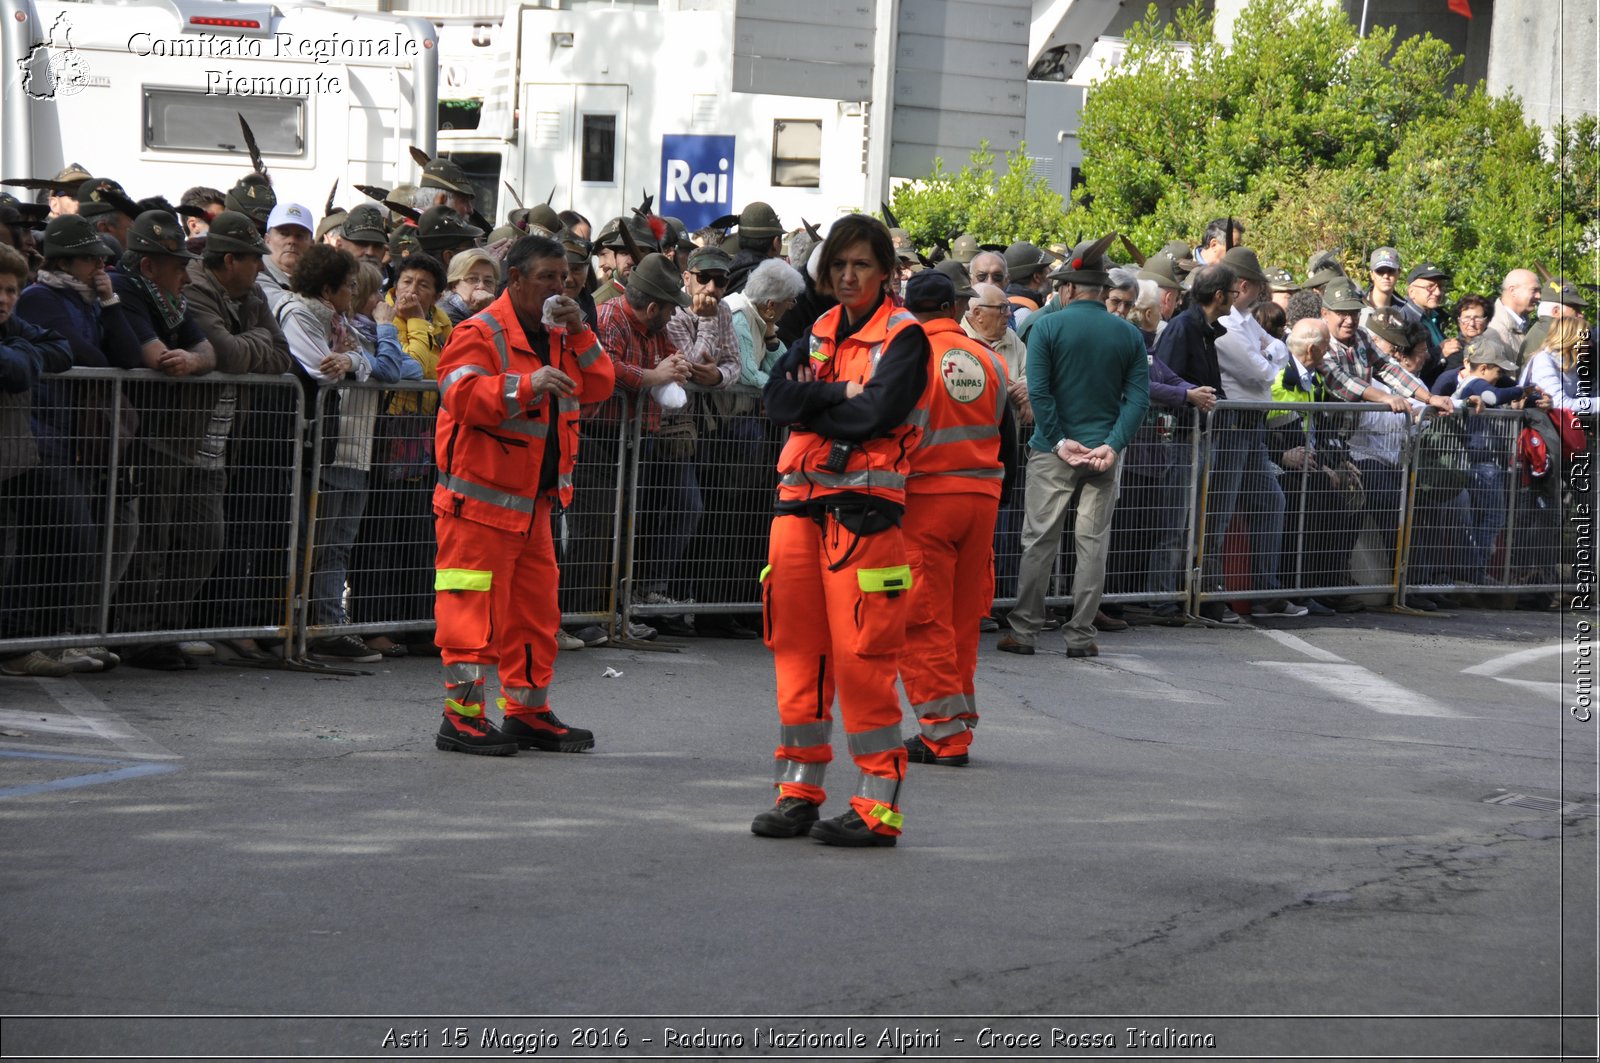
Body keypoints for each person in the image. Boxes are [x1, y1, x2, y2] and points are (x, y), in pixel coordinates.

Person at [754, 213, 931, 848]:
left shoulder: (905, 338)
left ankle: (877, 806)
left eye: (860, 264)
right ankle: (798, 791)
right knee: (797, 658)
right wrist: (838, 393)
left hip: (862, 521)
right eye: (838, 265)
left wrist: (816, 398)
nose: (847, 274)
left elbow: (875, 416)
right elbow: (775, 401)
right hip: (798, 513)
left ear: (885, 272)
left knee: (863, 665)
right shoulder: (820, 329)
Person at [427, 234, 615, 755]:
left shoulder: (561, 333)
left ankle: (527, 712)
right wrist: (525, 386)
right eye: (548, 277)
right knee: (470, 615)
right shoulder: (479, 331)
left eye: (567, 277)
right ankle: (461, 719)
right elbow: (459, 395)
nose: (562, 286)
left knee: (534, 616)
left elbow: (599, 386)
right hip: (477, 506)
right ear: (515, 280)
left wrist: (580, 333)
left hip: (535, 505)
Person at [999, 234, 1148, 659]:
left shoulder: (1047, 326)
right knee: (1092, 546)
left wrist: (1062, 441)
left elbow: (1039, 392)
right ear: (1102, 292)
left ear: (1066, 289)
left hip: (1052, 451)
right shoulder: (1128, 334)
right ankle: (1081, 636)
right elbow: (1138, 398)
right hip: (1102, 454)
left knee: (1039, 543)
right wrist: (1113, 445)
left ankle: (1025, 631)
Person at [897, 270, 1014, 767]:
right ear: (955, 309)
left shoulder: (907, 355)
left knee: (922, 621)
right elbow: (1007, 436)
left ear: (909, 308)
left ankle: (943, 735)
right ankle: (958, 719)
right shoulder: (989, 360)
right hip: (981, 501)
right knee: (962, 621)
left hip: (925, 502)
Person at [109, 211, 222, 670]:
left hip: (182, 435)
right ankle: (136, 634)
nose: (185, 270)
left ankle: (166, 627)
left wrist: (194, 363)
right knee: (149, 538)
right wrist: (187, 360)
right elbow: (154, 355)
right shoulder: (127, 290)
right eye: (175, 263)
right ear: (148, 265)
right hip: (145, 434)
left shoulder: (174, 299)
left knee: (202, 537)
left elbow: (207, 350)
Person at [0, 244, 77, 677]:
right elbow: (13, 369)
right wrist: (21, 356)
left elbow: (60, 348)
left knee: (63, 534)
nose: (5, 299)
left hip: (14, 459)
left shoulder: (12, 326)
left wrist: (22, 352)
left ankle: (22, 644)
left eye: (12, 290)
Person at [1486, 269, 1541, 363]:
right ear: (1513, 291)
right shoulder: (1495, 329)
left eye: (1539, 291)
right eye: (1534, 290)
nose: (1538, 296)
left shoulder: (1523, 325)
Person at [438, 248, 501, 325]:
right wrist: (485, 312)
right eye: (472, 279)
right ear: (454, 284)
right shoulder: (445, 315)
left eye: (488, 281)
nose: (481, 287)